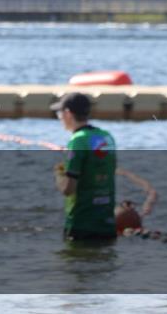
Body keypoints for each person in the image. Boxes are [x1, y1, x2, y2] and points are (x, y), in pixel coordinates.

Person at [52, 92, 117, 242]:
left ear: (68, 113)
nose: (60, 118)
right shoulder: (106, 137)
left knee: (74, 263)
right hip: (107, 225)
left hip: (81, 226)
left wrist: (58, 174)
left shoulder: (77, 141)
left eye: (59, 113)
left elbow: (68, 189)